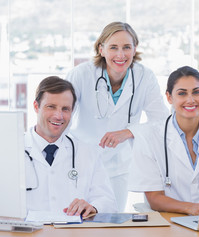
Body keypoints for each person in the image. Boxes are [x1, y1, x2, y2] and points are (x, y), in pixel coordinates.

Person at [65, 22, 169, 211]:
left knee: (111, 222)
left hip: (119, 166)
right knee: (76, 220)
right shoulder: (81, 74)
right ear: (101, 49)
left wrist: (128, 132)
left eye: (126, 47)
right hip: (80, 162)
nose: (121, 55)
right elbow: (62, 114)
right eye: (113, 47)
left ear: (134, 49)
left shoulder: (145, 77)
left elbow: (162, 121)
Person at [128, 66, 199, 215]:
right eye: (182, 93)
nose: (190, 100)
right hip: (168, 224)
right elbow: (154, 198)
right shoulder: (148, 138)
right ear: (169, 97)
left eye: (196, 92)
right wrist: (191, 208)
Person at [24, 76, 117, 217]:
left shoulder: (87, 153)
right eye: (51, 107)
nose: (58, 115)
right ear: (36, 107)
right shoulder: (12, 150)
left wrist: (93, 207)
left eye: (65, 109)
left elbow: (109, 202)